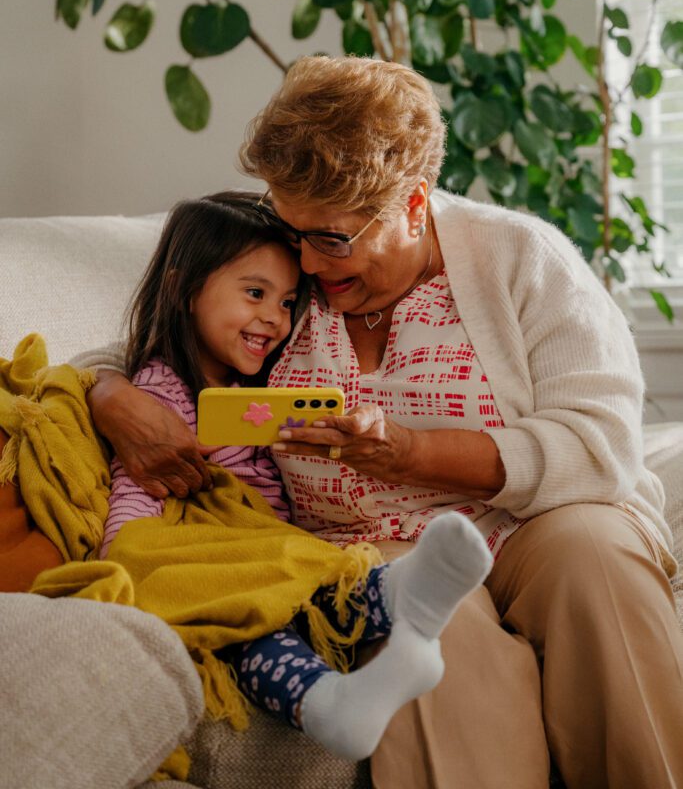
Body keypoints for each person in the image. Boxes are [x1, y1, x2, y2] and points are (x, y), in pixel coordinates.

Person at [86, 57, 683, 789]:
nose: (305, 260)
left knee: (593, 561)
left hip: (540, 525)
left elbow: (602, 445)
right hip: (377, 549)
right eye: (290, 227)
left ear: (412, 204)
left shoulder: (521, 259)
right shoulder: (289, 268)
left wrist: (413, 453)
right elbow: (150, 337)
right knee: (429, 625)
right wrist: (111, 397)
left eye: (331, 239)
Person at [97, 189, 492, 762]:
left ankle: (393, 597)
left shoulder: (257, 383)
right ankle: (346, 675)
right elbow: (139, 494)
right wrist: (127, 562)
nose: (273, 319)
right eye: (255, 294)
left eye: (286, 303)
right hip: (204, 563)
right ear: (184, 289)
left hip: (260, 556)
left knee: (295, 590)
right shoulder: (159, 396)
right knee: (251, 622)